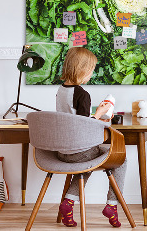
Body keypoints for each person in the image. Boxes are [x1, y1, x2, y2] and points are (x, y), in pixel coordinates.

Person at [56, 47, 126, 228]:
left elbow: (73, 119)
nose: (91, 74)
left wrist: (95, 115)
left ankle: (68, 203)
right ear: (83, 70)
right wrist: (100, 113)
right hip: (79, 151)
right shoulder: (82, 94)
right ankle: (112, 205)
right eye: (91, 70)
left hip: (62, 151)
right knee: (121, 159)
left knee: (86, 162)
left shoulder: (61, 90)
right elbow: (83, 126)